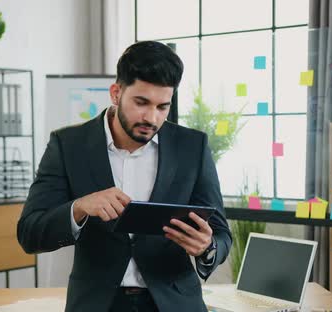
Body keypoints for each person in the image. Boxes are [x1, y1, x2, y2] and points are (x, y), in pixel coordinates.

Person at [17, 41, 231, 312]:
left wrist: (206, 247)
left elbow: (222, 234)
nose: (151, 118)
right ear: (116, 93)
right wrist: (80, 208)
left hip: (174, 304)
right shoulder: (68, 144)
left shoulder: (192, 147)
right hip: (96, 304)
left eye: (162, 106)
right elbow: (29, 233)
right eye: (141, 103)